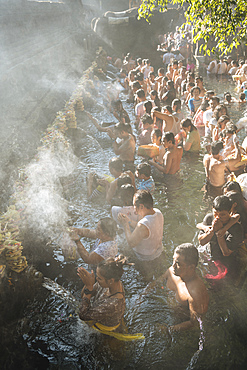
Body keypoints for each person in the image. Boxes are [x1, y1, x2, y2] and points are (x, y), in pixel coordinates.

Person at [146, 243, 209, 332]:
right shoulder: (173, 271)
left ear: (191, 267)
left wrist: (169, 330)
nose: (173, 265)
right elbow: (157, 282)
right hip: (163, 308)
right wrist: (141, 298)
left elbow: (194, 323)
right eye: (173, 260)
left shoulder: (196, 292)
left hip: (178, 320)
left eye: (178, 263)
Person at [117, 190, 165, 280]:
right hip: (158, 252)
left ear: (141, 206)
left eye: (135, 205)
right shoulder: (158, 212)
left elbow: (131, 243)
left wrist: (125, 224)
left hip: (145, 259)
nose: (134, 208)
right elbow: (143, 229)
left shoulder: (143, 224)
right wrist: (129, 221)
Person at [198, 195, 244, 281]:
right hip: (209, 254)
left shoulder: (236, 228)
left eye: (222, 215)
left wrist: (220, 233)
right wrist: (211, 231)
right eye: (215, 213)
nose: (217, 217)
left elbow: (226, 253)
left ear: (230, 212)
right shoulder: (209, 218)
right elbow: (202, 242)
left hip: (226, 260)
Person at [77, 255, 126, 330]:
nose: (96, 279)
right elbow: (83, 295)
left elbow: (83, 316)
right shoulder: (112, 282)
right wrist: (87, 285)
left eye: (99, 278)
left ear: (111, 281)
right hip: (98, 317)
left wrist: (89, 286)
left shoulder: (113, 303)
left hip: (105, 331)